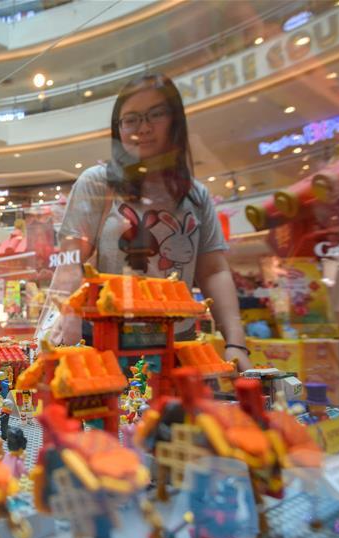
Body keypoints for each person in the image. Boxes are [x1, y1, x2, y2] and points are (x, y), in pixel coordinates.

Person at [44, 73, 251, 371]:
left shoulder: (196, 195)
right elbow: (71, 261)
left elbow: (213, 271)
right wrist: (68, 320)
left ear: (175, 121)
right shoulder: (98, 184)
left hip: (177, 345)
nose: (143, 127)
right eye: (131, 119)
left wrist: (235, 342)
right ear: (119, 129)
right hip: (105, 343)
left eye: (156, 114)